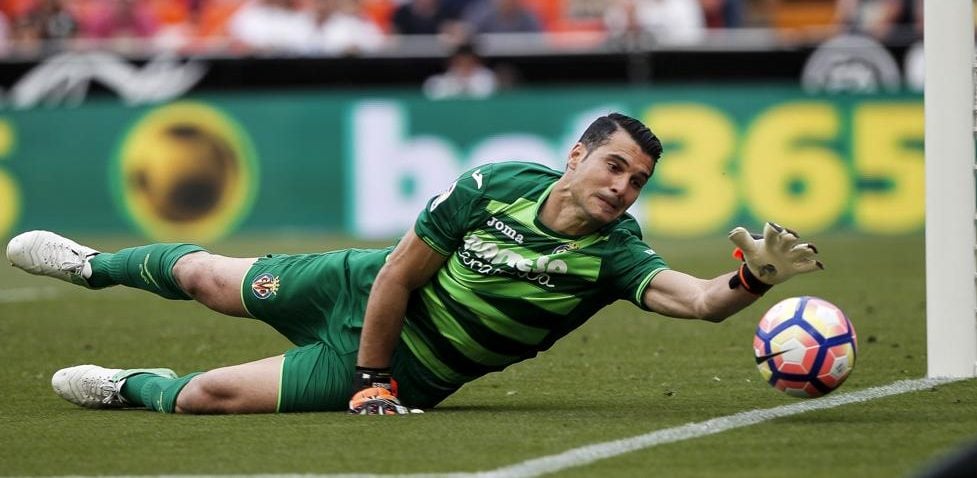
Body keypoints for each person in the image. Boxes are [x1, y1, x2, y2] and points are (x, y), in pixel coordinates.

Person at [5, 113, 822, 415]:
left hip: (416, 371)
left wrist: (752, 279)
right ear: (576, 157)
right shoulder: (492, 185)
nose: (622, 187)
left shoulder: (612, 255)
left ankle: (122, 388)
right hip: (361, 293)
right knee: (205, 279)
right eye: (612, 166)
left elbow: (699, 301)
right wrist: (369, 380)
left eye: (637, 180)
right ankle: (92, 265)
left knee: (207, 396)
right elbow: (399, 274)